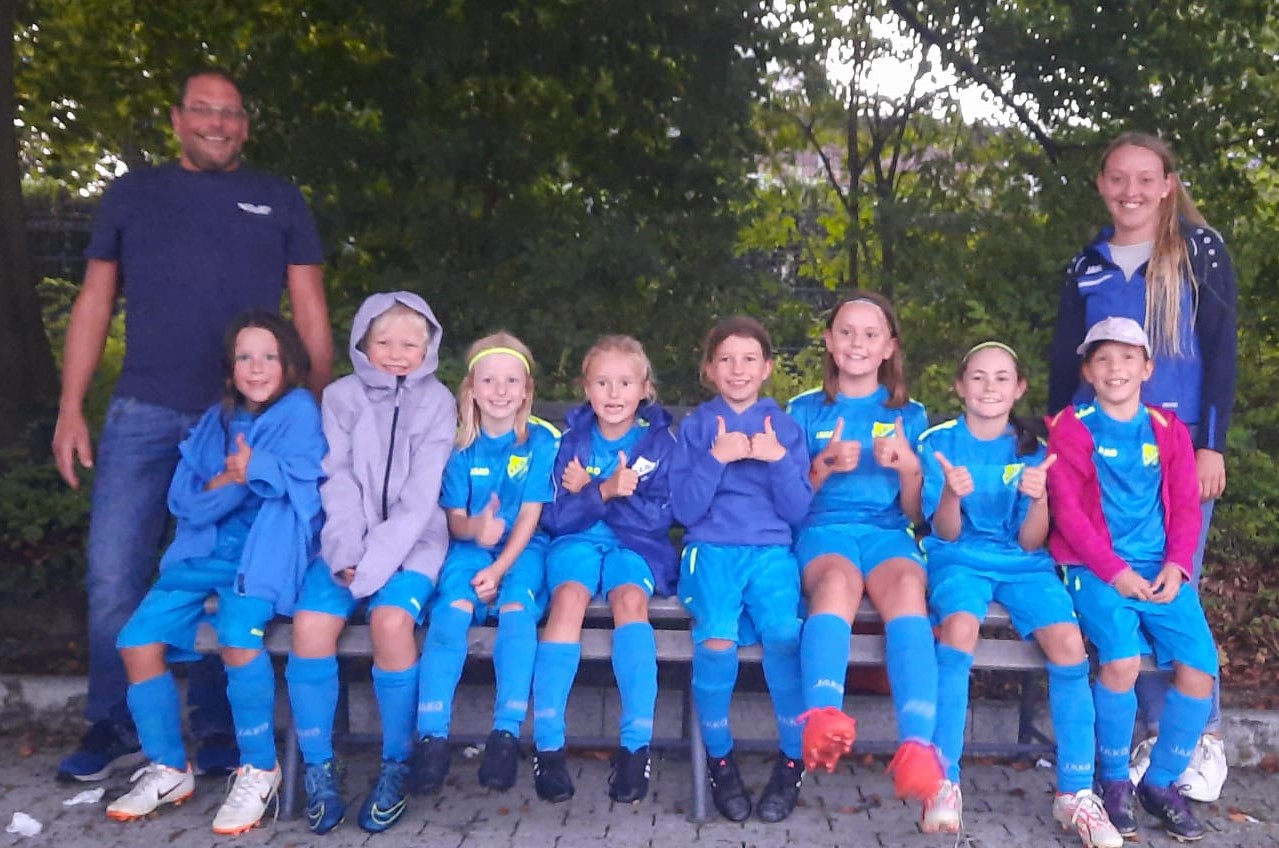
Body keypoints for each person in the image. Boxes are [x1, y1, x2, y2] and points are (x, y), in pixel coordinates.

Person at [50, 68, 332, 783]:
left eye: (230, 112)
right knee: (114, 572)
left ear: (246, 125)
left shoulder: (278, 198)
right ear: (176, 119)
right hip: (144, 409)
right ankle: (113, 723)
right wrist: (70, 406)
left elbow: (309, 309)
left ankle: (218, 729)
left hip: (245, 420)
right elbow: (93, 301)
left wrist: (313, 409)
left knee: (226, 567)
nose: (217, 123)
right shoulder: (132, 194)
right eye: (203, 110)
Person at [1048, 132, 1236, 802]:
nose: (1131, 191)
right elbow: (1062, 360)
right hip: (1098, 451)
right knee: (1114, 582)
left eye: (1145, 179)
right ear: (1102, 184)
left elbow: (1220, 351)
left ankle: (1198, 739)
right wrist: (1054, 437)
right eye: (1118, 178)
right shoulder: (1087, 263)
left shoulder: (1198, 250)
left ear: (1166, 185)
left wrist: (1211, 443)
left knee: (1172, 583)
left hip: (1177, 449)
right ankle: (1148, 740)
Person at [103, 311, 326, 835]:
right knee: (136, 641)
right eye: (245, 357)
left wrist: (253, 471)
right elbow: (185, 500)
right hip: (200, 554)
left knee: (236, 637)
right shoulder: (217, 421)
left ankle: (259, 767)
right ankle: (168, 767)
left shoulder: (299, 411)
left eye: (269, 356)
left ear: (289, 363)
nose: (257, 367)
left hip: (262, 557)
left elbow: (305, 488)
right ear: (230, 367)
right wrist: (238, 478)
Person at [916, 341, 1121, 847]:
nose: (990, 387)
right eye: (978, 377)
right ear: (960, 386)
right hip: (960, 560)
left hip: (1024, 564)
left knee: (1069, 645)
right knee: (959, 630)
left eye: (1002, 378)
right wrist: (951, 494)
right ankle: (942, 780)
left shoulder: (1035, 447)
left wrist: (1038, 500)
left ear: (1019, 388)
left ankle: (1076, 792)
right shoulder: (937, 442)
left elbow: (1032, 542)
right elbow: (944, 534)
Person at [285, 293, 455, 834]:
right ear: (362, 343)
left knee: (390, 622)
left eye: (410, 344)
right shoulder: (340, 397)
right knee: (310, 627)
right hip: (344, 546)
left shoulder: (438, 402)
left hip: (415, 544)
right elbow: (336, 479)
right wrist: (345, 553)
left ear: (428, 348)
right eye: (384, 342)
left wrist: (376, 564)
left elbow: (421, 497)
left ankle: (396, 762)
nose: (397, 354)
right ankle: (319, 765)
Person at [1048, 317, 1217, 843]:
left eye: (1127, 358)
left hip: (1160, 570)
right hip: (1095, 570)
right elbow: (1069, 515)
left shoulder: (1168, 430)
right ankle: (1115, 780)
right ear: (1087, 371)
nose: (1115, 368)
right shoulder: (1072, 427)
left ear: (1147, 368)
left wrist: (1177, 564)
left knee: (1200, 670)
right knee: (1120, 660)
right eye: (1102, 359)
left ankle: (1160, 783)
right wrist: (1115, 572)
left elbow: (1186, 506)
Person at [786, 293, 943, 806]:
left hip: (887, 532)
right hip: (823, 530)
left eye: (870, 334)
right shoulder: (803, 410)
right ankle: (822, 715)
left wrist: (909, 468)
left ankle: (918, 745)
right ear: (829, 342)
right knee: (837, 584)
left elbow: (916, 513)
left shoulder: (909, 414)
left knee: (908, 587)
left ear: (888, 347)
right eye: (846, 332)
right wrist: (822, 466)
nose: (857, 343)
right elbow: (788, 503)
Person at [670, 316, 812, 824]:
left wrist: (777, 459)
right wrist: (716, 458)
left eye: (749, 359)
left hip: (770, 551)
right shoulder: (697, 427)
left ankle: (792, 761)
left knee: (784, 635)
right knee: (716, 640)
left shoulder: (784, 428)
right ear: (709, 369)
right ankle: (720, 760)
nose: (738, 369)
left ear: (767, 368)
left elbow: (797, 511)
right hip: (710, 550)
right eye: (726, 359)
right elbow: (684, 510)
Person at [532, 335, 677, 804]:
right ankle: (548, 746)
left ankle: (635, 748)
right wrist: (604, 491)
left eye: (625, 383)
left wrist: (598, 490)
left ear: (644, 389)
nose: (613, 394)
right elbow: (555, 516)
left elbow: (661, 519)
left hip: (635, 547)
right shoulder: (571, 441)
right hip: (576, 541)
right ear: (586, 387)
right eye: (602, 382)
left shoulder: (660, 444)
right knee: (568, 599)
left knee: (630, 600)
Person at [411, 333, 558, 796]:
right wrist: (476, 528)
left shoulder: (540, 441)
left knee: (517, 613)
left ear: (526, 391)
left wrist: (498, 569)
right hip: (472, 550)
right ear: (471, 388)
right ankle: (432, 736)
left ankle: (505, 734)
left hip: (523, 549)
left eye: (511, 381)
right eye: (489, 380)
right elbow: (455, 521)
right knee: (450, 614)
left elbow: (531, 516)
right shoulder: (458, 445)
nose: (500, 390)